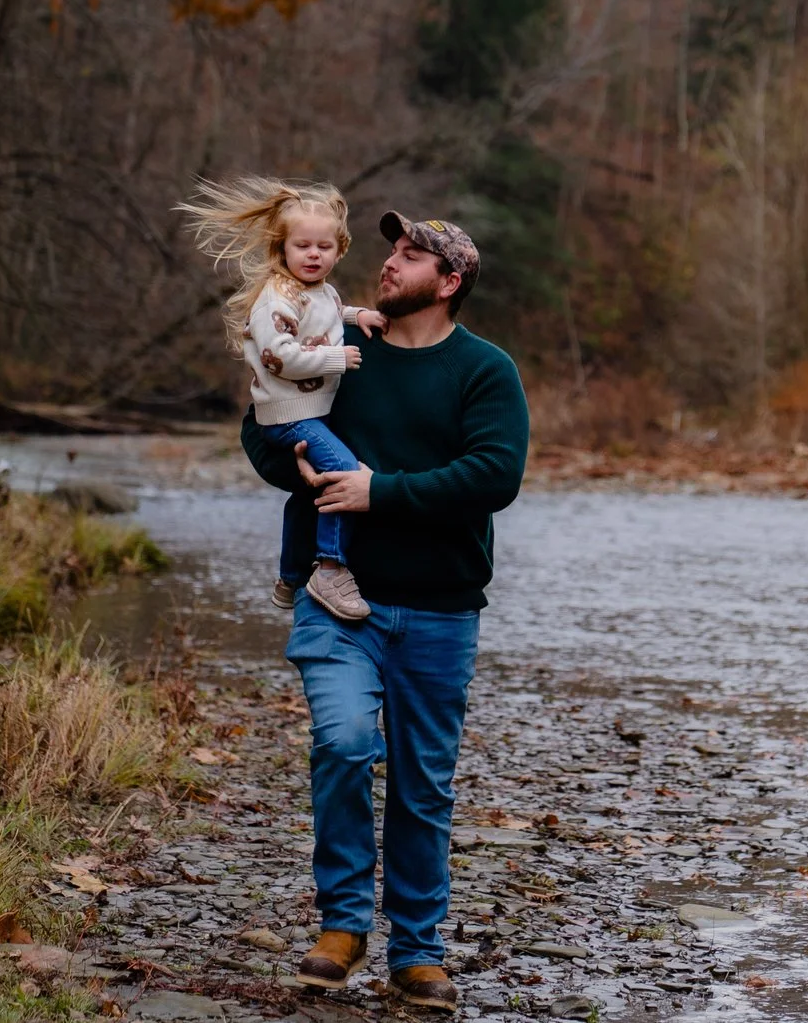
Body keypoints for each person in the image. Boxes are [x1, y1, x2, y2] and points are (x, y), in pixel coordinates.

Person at [239, 211, 528, 1013]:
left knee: (423, 786)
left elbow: (494, 475)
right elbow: (261, 435)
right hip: (338, 601)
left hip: (440, 611)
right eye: (392, 248)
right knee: (341, 740)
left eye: (412, 254)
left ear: (450, 280)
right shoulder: (342, 352)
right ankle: (341, 924)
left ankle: (417, 950)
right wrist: (296, 457)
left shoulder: (485, 371)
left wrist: (379, 491)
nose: (390, 262)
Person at [179, 177, 388, 621]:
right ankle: (329, 568)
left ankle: (290, 577)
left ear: (340, 250)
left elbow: (330, 313)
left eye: (324, 247)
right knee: (344, 473)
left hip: (311, 412)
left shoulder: (322, 292)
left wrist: (359, 314)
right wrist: (336, 358)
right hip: (288, 415)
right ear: (282, 250)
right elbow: (279, 356)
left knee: (306, 495)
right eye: (303, 246)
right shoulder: (277, 295)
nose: (314, 255)